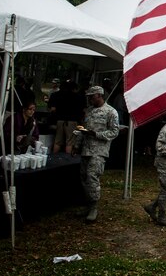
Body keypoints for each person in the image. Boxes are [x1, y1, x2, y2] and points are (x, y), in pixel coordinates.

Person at [72, 86, 119, 223]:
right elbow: (83, 129)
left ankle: (94, 207)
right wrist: (76, 145)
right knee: (84, 177)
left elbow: (114, 132)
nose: (89, 99)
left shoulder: (111, 112)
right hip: (86, 150)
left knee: (92, 178)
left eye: (91, 96)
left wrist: (96, 134)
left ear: (99, 95)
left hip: (99, 151)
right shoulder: (89, 111)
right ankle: (88, 205)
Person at [50, 80, 85, 154]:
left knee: (57, 141)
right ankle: (67, 160)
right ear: (74, 88)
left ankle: (53, 156)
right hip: (72, 121)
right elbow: (82, 110)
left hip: (60, 120)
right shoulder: (78, 97)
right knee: (69, 142)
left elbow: (53, 109)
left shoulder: (58, 95)